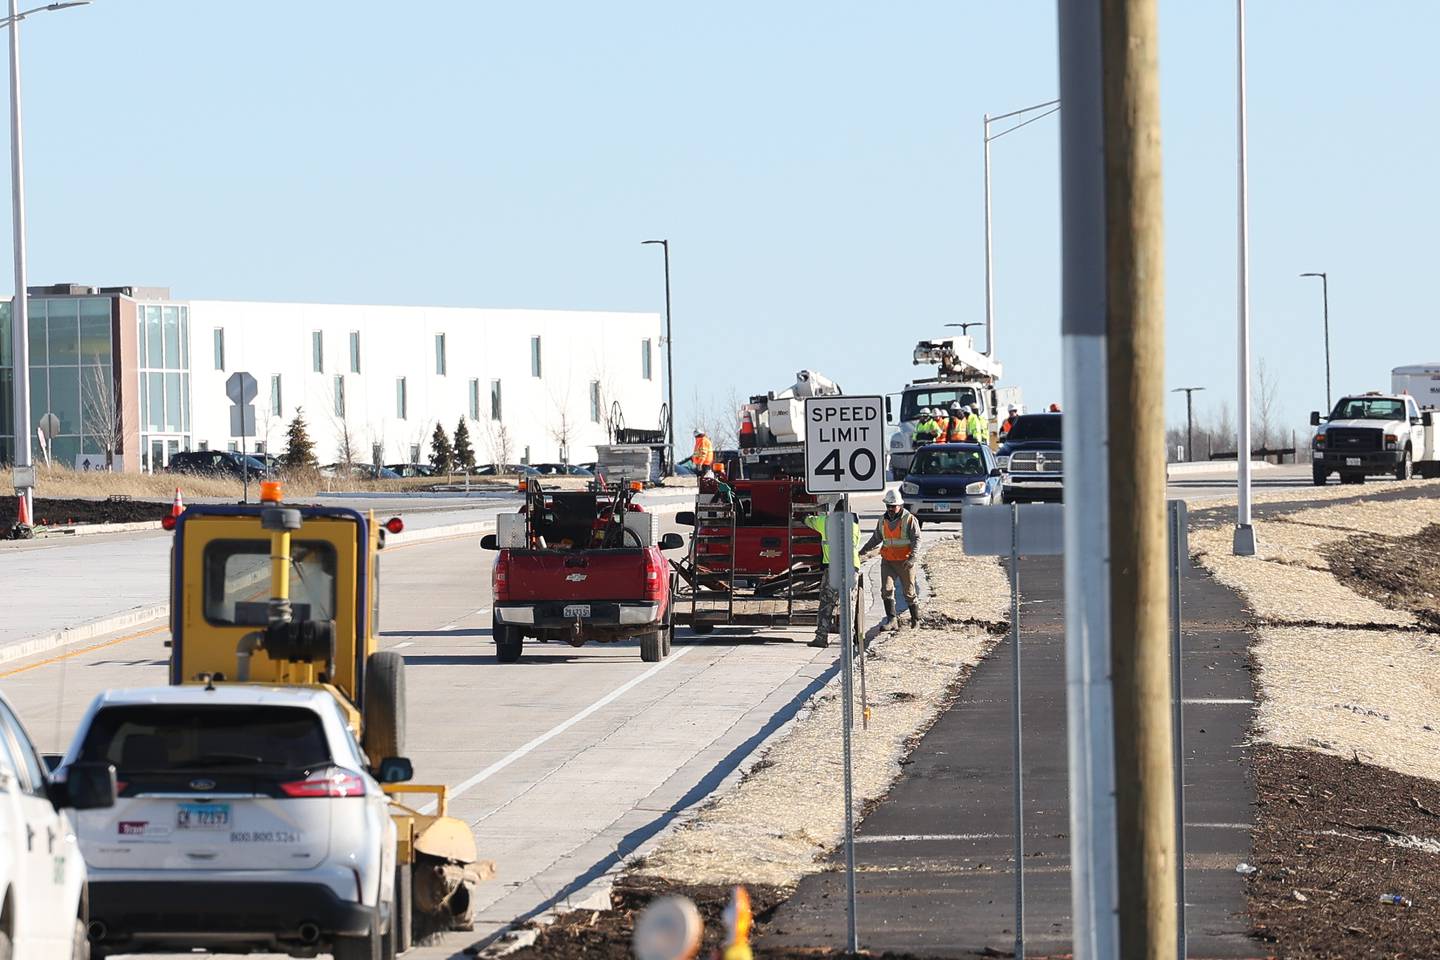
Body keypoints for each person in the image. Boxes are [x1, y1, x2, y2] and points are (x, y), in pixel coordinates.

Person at [860, 489, 921, 630]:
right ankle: (892, 620)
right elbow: (876, 538)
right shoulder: (882, 520)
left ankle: (916, 620)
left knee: (909, 592)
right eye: (888, 506)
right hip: (888, 561)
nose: (891, 509)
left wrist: (913, 557)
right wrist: (863, 551)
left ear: (900, 505)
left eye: (893, 506)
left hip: (905, 562)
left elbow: (917, 539)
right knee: (886, 590)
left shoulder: (909, 519)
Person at [803, 506, 863, 648]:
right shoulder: (854, 527)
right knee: (848, 605)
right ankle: (848, 639)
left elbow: (808, 521)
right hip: (851, 568)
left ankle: (821, 638)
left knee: (826, 603)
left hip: (834, 568)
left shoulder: (825, 521)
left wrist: (804, 516)